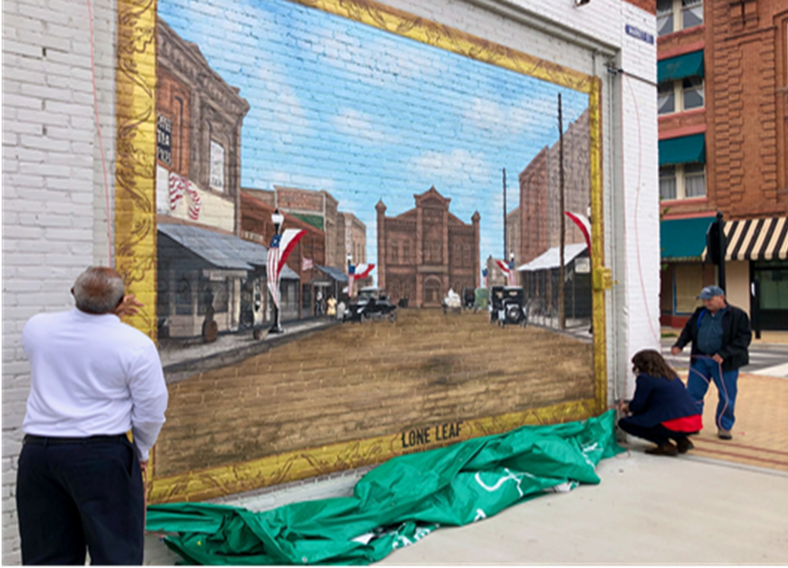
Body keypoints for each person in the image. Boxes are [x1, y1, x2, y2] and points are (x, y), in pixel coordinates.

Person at [17, 267, 169, 567]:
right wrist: (140, 451)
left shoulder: (37, 328)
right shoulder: (136, 345)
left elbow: (81, 331)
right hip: (102, 458)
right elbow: (151, 409)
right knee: (116, 555)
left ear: (74, 293)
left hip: (39, 457)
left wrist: (107, 312)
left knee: (46, 558)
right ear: (122, 302)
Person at [670, 285, 751, 440]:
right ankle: (693, 423)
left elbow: (744, 339)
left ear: (721, 297)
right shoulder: (700, 313)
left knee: (727, 395)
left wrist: (725, 353)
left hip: (723, 362)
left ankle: (724, 426)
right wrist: (679, 345)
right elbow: (688, 330)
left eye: (710, 299)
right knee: (693, 393)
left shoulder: (737, 315)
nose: (707, 303)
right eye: (704, 300)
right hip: (700, 359)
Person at [617, 349, 702, 456]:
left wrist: (626, 407)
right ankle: (682, 440)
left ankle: (664, 444)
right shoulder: (671, 376)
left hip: (673, 423)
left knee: (625, 423)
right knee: (665, 419)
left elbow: (637, 405)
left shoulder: (645, 378)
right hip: (694, 421)